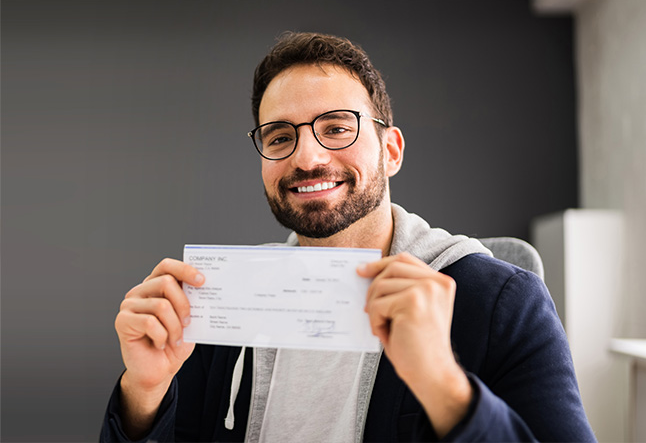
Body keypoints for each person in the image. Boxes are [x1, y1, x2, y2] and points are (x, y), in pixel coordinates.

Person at [101, 32, 596, 442]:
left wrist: (443, 385)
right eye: (279, 137)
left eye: (337, 128)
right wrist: (145, 393)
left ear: (391, 150)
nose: (308, 158)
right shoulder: (224, 310)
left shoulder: (504, 302)